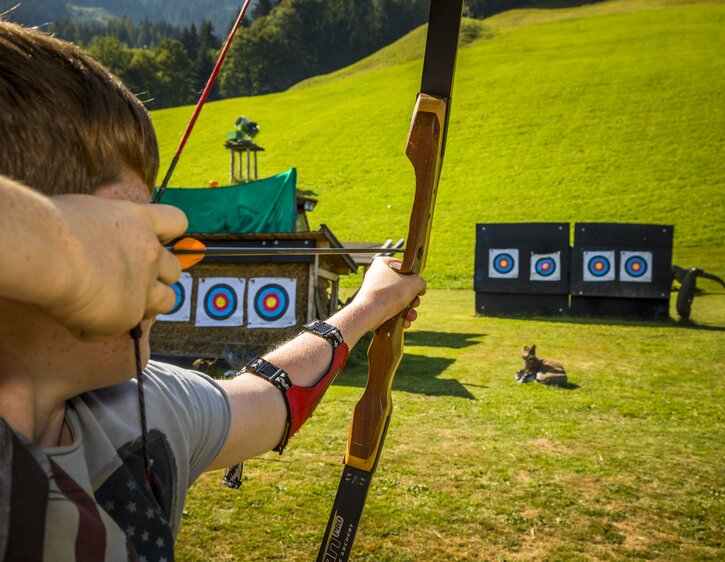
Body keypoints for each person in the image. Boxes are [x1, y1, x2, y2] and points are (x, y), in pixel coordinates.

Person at [0, 21, 426, 561]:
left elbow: (273, 398)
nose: (166, 262)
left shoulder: (146, 405)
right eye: (135, 230)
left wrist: (369, 306)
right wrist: (54, 245)